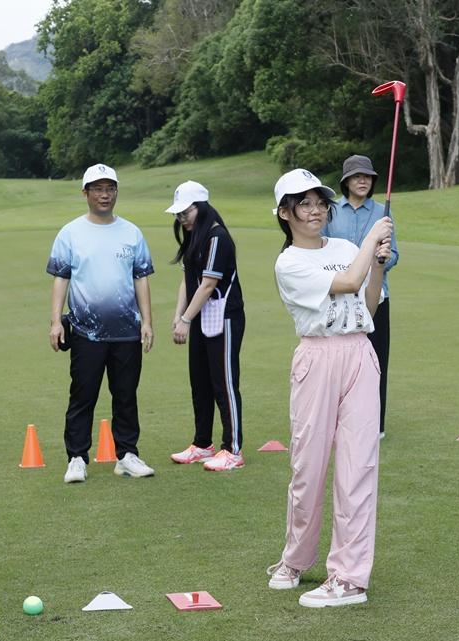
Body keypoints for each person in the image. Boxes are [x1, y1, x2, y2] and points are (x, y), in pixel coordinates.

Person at [265, 168, 392, 608]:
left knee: (357, 469)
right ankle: (295, 560)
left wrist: (376, 262)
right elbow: (344, 283)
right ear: (285, 213)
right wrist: (372, 237)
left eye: (319, 200)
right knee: (308, 468)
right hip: (317, 358)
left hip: (359, 353)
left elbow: (366, 300)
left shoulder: (343, 247)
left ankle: (349, 578)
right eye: (303, 203)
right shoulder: (289, 262)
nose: (315, 209)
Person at [47, 163, 156, 484]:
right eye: (97, 189)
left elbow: (141, 280)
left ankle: (127, 455)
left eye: (110, 189)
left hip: (127, 330)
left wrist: (147, 322)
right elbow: (60, 280)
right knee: (83, 394)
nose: (105, 195)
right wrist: (56, 321)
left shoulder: (132, 232)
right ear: (85, 193)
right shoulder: (70, 233)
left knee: (126, 394)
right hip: (85, 331)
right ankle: (77, 457)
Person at [166, 181, 246, 471]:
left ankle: (233, 449)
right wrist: (179, 316)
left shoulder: (217, 238)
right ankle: (202, 444)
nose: (181, 218)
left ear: (200, 207)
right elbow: (187, 283)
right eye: (178, 214)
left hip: (223, 316)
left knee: (223, 383)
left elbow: (208, 284)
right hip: (199, 316)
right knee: (199, 382)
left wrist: (185, 319)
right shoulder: (194, 238)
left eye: (185, 212)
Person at [323, 155, 399, 439]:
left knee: (377, 361)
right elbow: (324, 250)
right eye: (357, 177)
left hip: (377, 295)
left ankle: (375, 425)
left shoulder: (383, 213)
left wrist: (383, 258)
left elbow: (395, 254)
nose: (363, 180)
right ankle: (339, 419)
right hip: (342, 297)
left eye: (367, 176)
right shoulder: (332, 212)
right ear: (346, 182)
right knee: (340, 361)